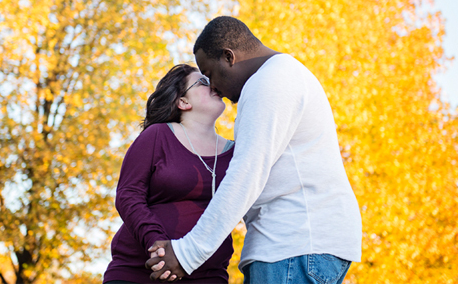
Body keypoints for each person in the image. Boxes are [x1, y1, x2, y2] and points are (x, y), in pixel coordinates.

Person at [145, 16, 362, 284]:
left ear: (229, 57)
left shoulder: (270, 83)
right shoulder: (281, 75)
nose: (214, 88)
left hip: (294, 246)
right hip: (298, 246)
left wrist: (187, 254)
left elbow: (246, 174)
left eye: (210, 75)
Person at [104, 64, 236, 284]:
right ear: (183, 102)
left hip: (207, 275)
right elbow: (128, 195)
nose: (214, 84)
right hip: (139, 271)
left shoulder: (237, 152)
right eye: (203, 82)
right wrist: (158, 245)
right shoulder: (157, 136)